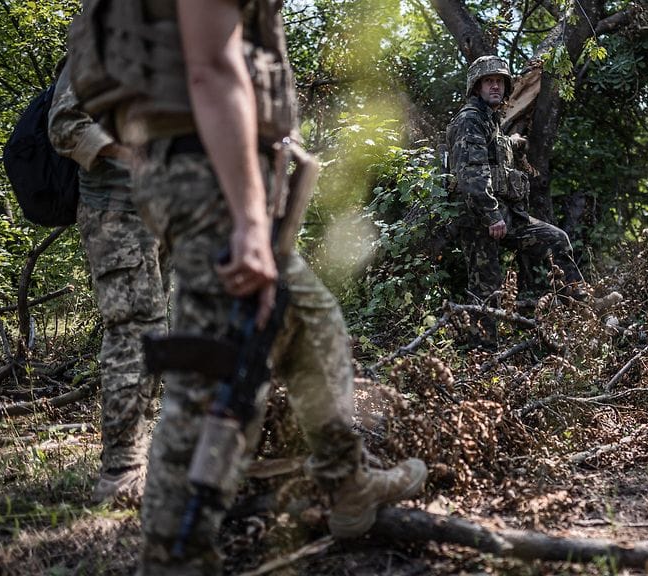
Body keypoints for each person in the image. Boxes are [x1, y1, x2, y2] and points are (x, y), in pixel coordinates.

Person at [68, 0, 427, 572]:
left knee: (311, 317)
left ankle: (348, 482)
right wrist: (249, 222)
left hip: (199, 166)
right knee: (217, 375)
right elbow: (211, 66)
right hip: (209, 171)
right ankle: (173, 556)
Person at [47, 59, 169, 507]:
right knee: (132, 329)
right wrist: (126, 153)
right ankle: (120, 469)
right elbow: (64, 125)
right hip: (115, 211)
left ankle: (144, 450)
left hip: (167, 212)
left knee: (158, 330)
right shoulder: (101, 39)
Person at [447, 55, 614, 348]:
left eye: (500, 81)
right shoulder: (470, 120)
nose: (496, 86)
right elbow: (471, 174)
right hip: (480, 217)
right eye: (489, 81)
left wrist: (512, 143)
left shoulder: (490, 121)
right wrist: (491, 215)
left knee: (556, 239)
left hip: (507, 216)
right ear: (476, 87)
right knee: (486, 287)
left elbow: (492, 154)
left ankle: (583, 304)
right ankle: (483, 355)